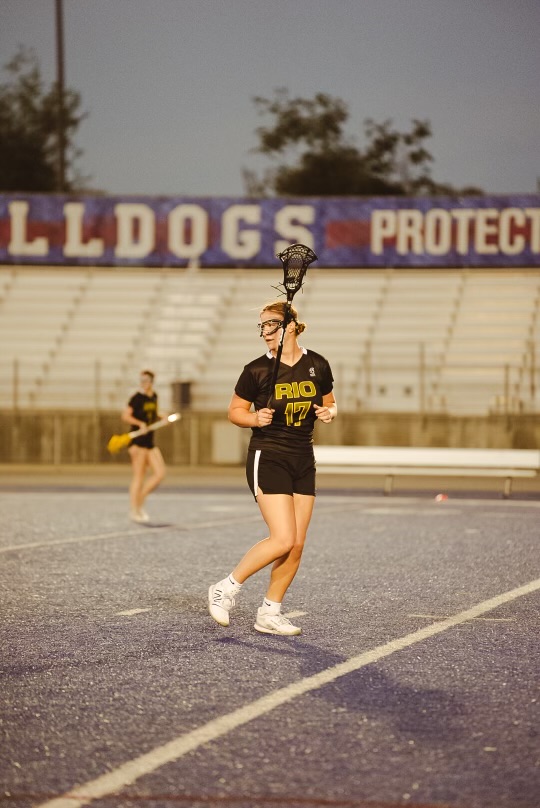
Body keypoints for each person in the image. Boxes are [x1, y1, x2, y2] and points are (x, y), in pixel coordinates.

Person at [208, 300, 337, 636]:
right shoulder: (256, 370)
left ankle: (270, 611)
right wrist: (253, 417)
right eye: (262, 326)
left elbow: (330, 401)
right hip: (269, 455)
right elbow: (234, 411)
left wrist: (330, 413)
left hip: (303, 457)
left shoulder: (317, 364)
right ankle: (227, 587)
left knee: (296, 543)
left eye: (272, 325)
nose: (265, 332)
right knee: (282, 538)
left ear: (291, 326)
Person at [121, 369, 166, 523]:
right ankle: (135, 509)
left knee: (160, 474)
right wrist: (140, 424)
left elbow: (152, 414)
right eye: (141, 380)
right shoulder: (136, 398)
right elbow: (126, 416)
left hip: (149, 442)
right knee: (139, 476)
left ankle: (140, 500)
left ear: (152, 381)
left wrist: (162, 416)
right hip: (138, 442)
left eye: (146, 380)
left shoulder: (154, 396)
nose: (143, 383)